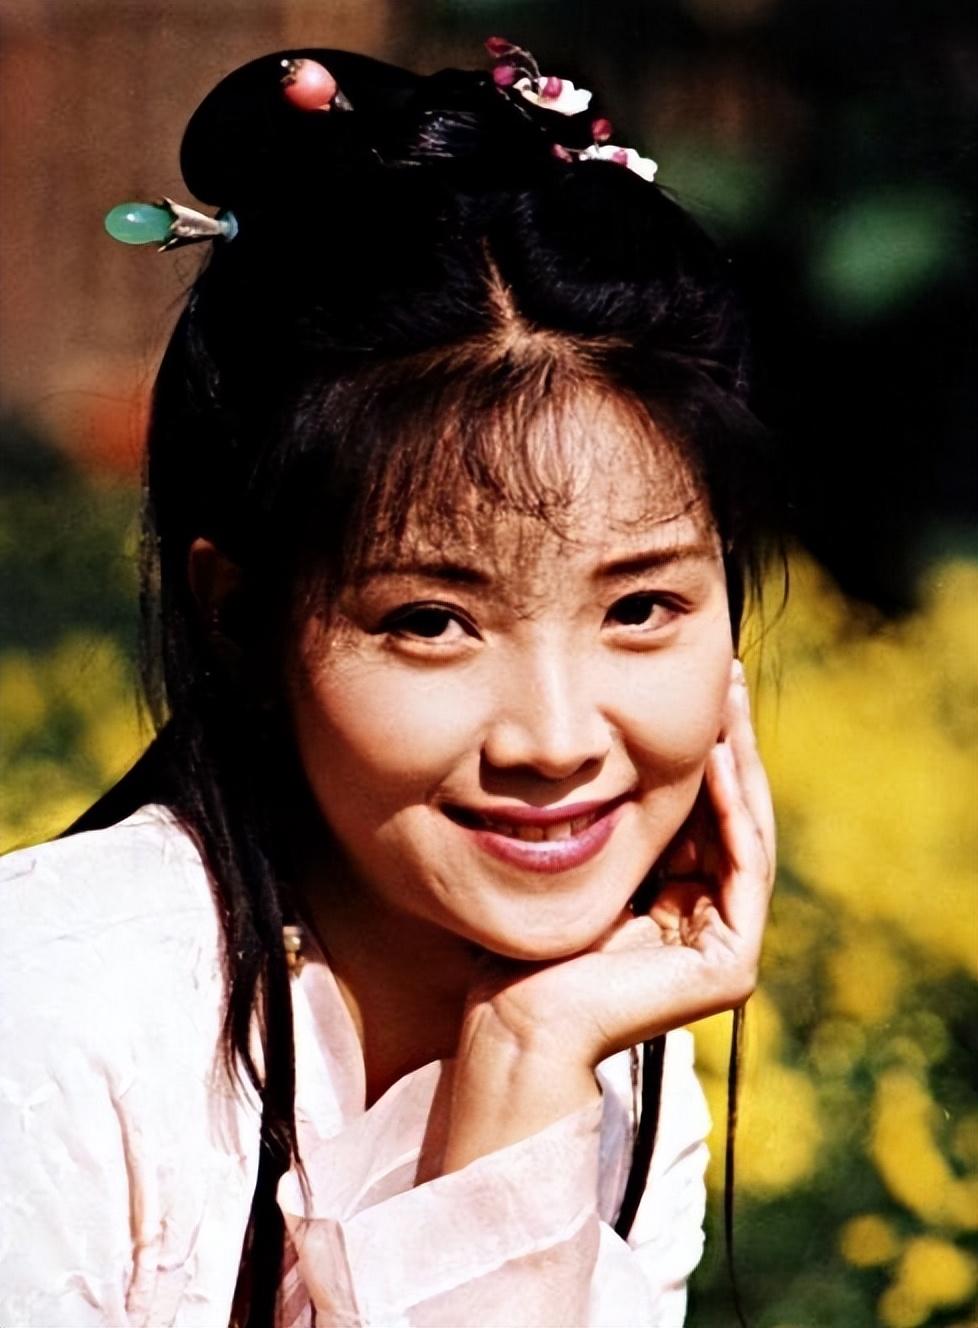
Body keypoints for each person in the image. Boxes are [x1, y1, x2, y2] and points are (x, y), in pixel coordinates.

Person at [0, 40, 777, 1328]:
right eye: (431, 622)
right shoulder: (47, 1024)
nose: (554, 739)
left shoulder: (616, 1040)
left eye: (641, 608)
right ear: (242, 620)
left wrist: (527, 1060)